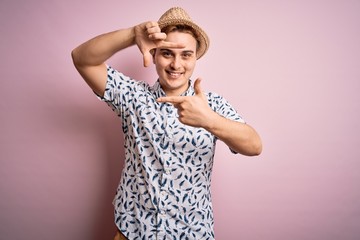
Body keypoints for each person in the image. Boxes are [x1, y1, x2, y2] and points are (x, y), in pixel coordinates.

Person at [72, 7, 262, 240]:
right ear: (153, 54)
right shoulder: (133, 96)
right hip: (133, 230)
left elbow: (254, 145)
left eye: (186, 54)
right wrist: (132, 35)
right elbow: (82, 59)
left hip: (192, 233)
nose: (176, 64)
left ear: (195, 58)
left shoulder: (211, 104)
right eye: (167, 53)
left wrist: (208, 120)